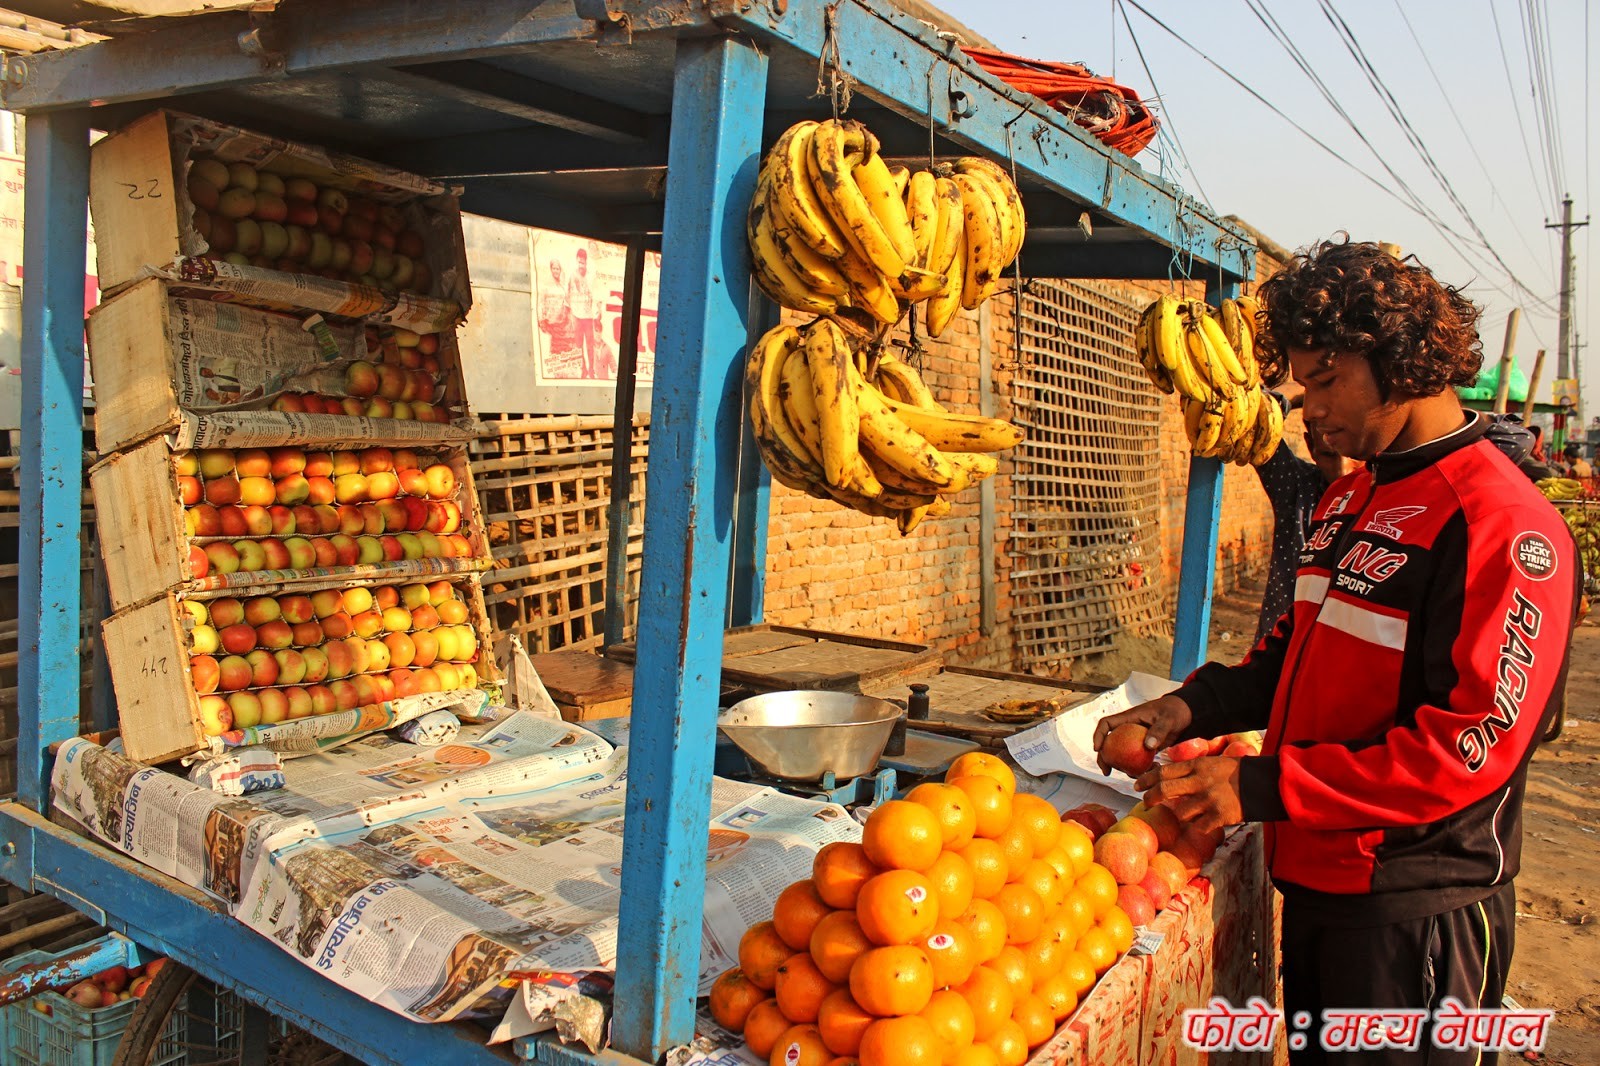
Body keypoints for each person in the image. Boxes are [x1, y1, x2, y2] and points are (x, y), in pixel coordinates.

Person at [1094, 239, 1578, 1065]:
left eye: (1326, 381)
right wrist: (1189, 707)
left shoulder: (1499, 522)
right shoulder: (1356, 495)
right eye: (1303, 385)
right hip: (1319, 878)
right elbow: (1290, 657)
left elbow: (1466, 750)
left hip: (1414, 910)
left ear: (1401, 362)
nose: (1307, 410)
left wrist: (1258, 784)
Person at [1251, 395, 1359, 642]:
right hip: (1279, 651)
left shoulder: (1385, 500)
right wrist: (1297, 400)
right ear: (1310, 446)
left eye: (1350, 454)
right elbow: (1254, 413)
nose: (1342, 469)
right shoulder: (1296, 487)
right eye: (1329, 456)